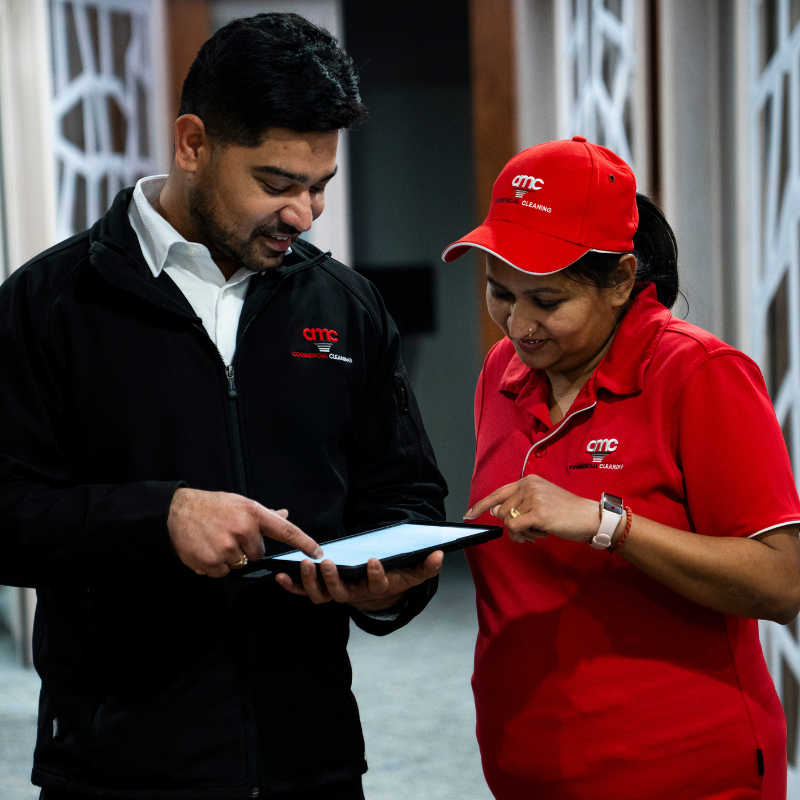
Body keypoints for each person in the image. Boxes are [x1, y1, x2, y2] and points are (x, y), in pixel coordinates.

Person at [0, 13, 447, 800]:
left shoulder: (347, 305)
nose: (303, 214)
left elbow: (406, 493)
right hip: (118, 769)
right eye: (276, 184)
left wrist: (391, 587)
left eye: (319, 186)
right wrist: (161, 517)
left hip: (312, 761)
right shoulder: (48, 303)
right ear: (193, 144)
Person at [443, 136, 800, 799]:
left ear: (620, 280)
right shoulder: (502, 372)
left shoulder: (699, 373)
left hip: (682, 770)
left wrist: (607, 524)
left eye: (547, 301)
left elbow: (782, 583)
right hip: (527, 765)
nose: (518, 324)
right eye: (500, 293)